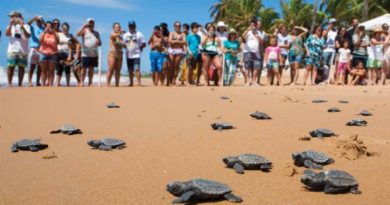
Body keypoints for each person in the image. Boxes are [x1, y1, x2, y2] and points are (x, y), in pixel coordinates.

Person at [6, 11, 30, 87]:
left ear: (18, 17)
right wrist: (10, 24)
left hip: (23, 50)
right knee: (10, 66)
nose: (11, 18)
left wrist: (22, 26)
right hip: (12, 49)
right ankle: (10, 83)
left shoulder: (26, 26)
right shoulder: (10, 26)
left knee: (21, 67)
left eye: (13, 16)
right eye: (11, 17)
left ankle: (20, 84)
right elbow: (7, 34)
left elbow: (28, 36)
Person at [77, 18, 101, 87]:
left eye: (92, 23)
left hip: (94, 54)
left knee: (91, 69)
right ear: (87, 23)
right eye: (90, 23)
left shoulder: (96, 33)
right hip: (85, 54)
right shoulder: (84, 31)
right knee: (83, 69)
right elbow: (78, 34)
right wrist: (83, 27)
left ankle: (90, 83)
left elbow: (100, 44)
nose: (91, 24)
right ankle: (81, 82)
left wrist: (98, 42)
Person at [242, 20, 264, 86]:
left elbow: (262, 42)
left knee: (256, 67)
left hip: (256, 52)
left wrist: (258, 37)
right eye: (251, 25)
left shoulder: (259, 32)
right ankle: (248, 82)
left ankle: (254, 81)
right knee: (247, 67)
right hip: (247, 51)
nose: (253, 26)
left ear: (256, 26)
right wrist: (247, 30)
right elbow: (243, 37)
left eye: (254, 25)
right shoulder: (248, 32)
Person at [123, 21, 146, 87]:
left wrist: (141, 48)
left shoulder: (139, 34)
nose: (131, 27)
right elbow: (124, 44)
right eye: (130, 26)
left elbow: (144, 43)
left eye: (132, 26)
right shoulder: (125, 35)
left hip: (136, 55)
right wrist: (123, 45)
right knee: (130, 70)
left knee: (137, 69)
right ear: (128, 27)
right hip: (128, 55)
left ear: (135, 26)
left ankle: (139, 83)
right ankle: (131, 83)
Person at [39, 21, 59, 86]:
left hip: (53, 53)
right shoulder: (43, 33)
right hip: (43, 53)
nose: (48, 28)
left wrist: (53, 32)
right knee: (43, 70)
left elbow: (58, 41)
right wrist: (44, 32)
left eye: (50, 26)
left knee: (51, 70)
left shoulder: (55, 33)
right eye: (47, 26)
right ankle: (43, 84)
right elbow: (40, 41)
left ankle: (50, 84)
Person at [27, 15, 44, 87]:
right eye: (37, 20)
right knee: (32, 66)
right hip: (33, 48)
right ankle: (30, 81)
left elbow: (48, 27)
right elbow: (27, 24)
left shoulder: (44, 28)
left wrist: (42, 21)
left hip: (41, 48)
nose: (38, 21)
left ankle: (37, 82)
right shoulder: (33, 26)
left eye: (39, 20)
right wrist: (33, 18)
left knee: (40, 67)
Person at [106, 23, 124, 87]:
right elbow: (113, 37)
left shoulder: (121, 37)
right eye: (116, 27)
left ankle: (117, 84)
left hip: (120, 55)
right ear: (113, 28)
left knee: (118, 71)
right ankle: (107, 84)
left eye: (119, 27)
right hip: (112, 54)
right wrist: (120, 32)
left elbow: (123, 46)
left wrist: (125, 44)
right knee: (111, 69)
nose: (118, 28)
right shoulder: (112, 34)